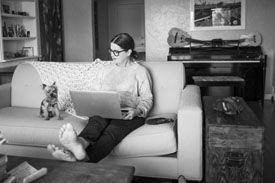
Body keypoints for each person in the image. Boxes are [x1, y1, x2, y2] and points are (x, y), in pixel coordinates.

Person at [47, 33, 153, 162]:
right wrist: (93, 104)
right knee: (95, 124)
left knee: (111, 132)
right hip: (106, 110)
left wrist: (136, 111)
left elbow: (147, 99)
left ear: (128, 52)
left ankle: (81, 158)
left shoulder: (140, 71)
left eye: (116, 51)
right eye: (110, 50)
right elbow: (96, 93)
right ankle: (79, 143)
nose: (112, 54)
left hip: (130, 114)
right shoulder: (104, 69)